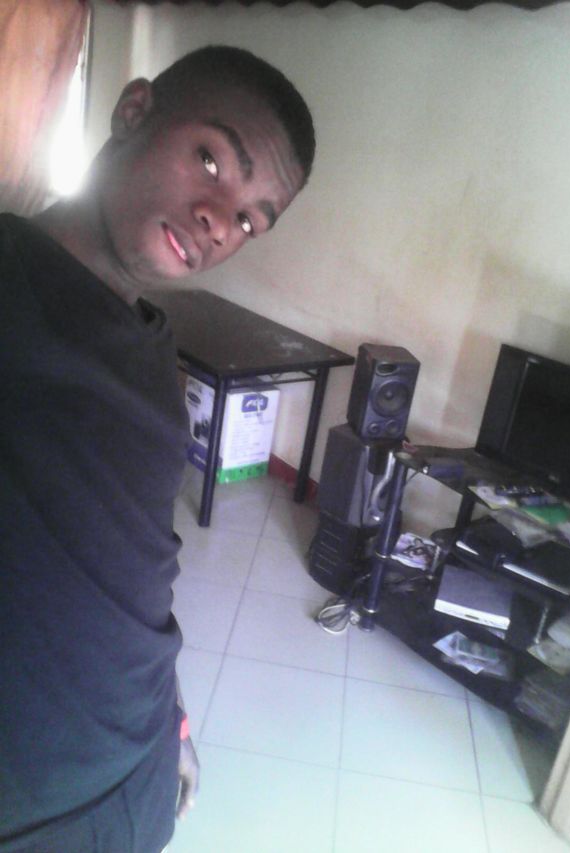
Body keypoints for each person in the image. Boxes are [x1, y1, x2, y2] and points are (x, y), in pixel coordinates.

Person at [0, 45, 315, 852]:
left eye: (250, 219)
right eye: (210, 159)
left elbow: (140, 565)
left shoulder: (153, 347)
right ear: (133, 111)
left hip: (140, 774)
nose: (220, 219)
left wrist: (171, 719)